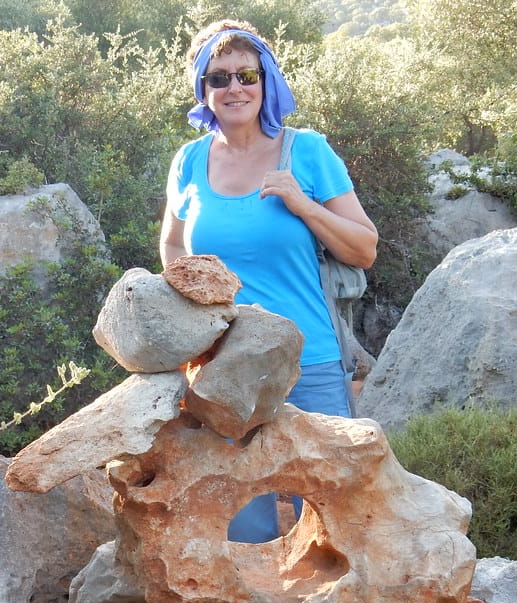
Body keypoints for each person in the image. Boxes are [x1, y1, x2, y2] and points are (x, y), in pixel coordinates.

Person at [160, 19, 378, 544]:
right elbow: (172, 245)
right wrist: (196, 306)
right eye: (219, 78)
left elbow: (364, 248)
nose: (234, 87)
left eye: (247, 74)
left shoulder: (307, 152)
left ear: (267, 80)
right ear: (202, 89)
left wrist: (303, 205)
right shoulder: (189, 161)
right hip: (223, 369)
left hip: (310, 360)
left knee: (331, 515)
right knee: (240, 522)